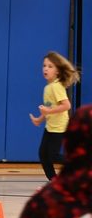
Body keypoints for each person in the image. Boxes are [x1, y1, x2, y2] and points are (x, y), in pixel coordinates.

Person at [29, 51, 80, 180]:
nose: (45, 69)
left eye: (50, 66)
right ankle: (54, 181)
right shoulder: (48, 87)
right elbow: (49, 108)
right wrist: (40, 119)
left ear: (57, 71)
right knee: (43, 154)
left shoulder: (56, 87)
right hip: (50, 127)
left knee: (53, 155)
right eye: (44, 66)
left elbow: (66, 105)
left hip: (59, 127)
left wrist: (47, 112)